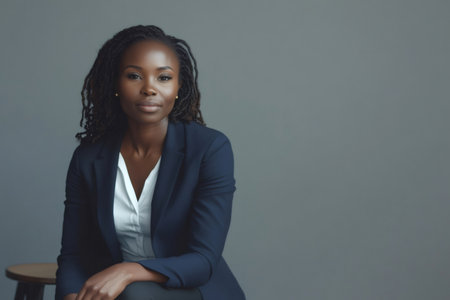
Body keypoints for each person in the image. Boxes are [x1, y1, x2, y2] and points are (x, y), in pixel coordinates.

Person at [55, 25, 245, 300]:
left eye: (164, 77)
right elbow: (73, 254)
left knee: (133, 294)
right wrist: (71, 296)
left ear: (179, 87)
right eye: (134, 76)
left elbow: (203, 260)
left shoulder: (210, 149)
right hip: (119, 289)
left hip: (192, 289)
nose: (149, 89)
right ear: (115, 84)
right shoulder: (89, 157)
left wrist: (129, 271)